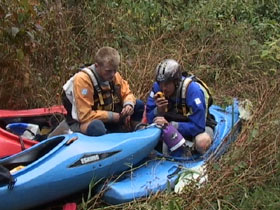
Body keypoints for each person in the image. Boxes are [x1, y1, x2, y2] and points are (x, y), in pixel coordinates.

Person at [62, 46, 144, 136]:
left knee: (138, 104)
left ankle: (136, 131)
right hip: (83, 121)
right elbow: (84, 116)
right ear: (97, 66)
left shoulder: (114, 75)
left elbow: (127, 93)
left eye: (115, 70)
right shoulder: (83, 80)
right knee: (97, 127)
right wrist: (111, 117)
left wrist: (128, 104)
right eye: (108, 71)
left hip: (105, 114)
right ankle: (106, 138)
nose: (112, 74)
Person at [146, 59, 216, 155]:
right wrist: (158, 111)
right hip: (169, 125)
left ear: (176, 82)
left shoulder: (192, 90)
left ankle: (191, 152)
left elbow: (199, 126)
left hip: (196, 126)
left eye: (166, 84)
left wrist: (173, 126)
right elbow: (149, 117)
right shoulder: (157, 88)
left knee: (202, 142)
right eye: (160, 83)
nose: (163, 88)